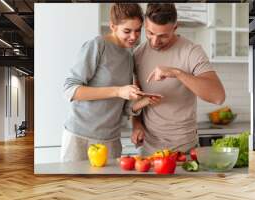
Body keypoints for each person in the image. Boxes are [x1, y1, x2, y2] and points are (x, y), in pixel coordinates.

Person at [61, 3, 161, 162]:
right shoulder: (97, 45)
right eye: (127, 31)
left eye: (137, 30)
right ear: (113, 26)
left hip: (111, 140)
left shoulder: (128, 56)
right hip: (80, 137)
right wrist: (118, 91)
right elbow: (70, 90)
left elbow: (122, 108)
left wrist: (144, 101)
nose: (134, 37)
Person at [132, 3, 226, 156]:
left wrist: (177, 73)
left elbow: (218, 97)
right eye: (150, 33)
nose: (155, 41)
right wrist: (136, 125)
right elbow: (135, 100)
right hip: (149, 151)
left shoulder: (192, 52)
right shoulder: (138, 54)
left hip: (185, 149)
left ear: (175, 27)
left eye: (163, 36)